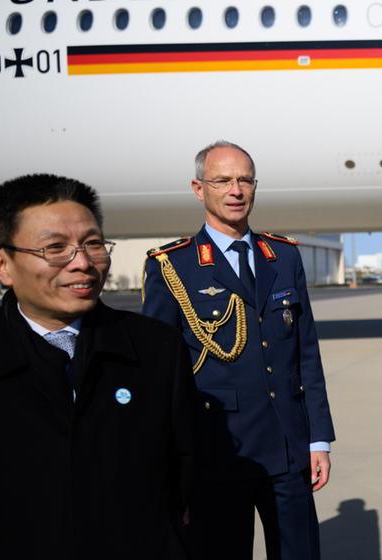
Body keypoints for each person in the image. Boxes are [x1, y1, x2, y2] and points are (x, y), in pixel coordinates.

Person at [0, 175, 195, 559]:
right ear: (1, 265)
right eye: (56, 248)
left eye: (93, 244)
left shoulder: (156, 349)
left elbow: (187, 479)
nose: (83, 263)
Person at [142, 140, 335, 559]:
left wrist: (318, 439)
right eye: (223, 180)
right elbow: (159, 371)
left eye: (245, 179)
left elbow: (306, 354)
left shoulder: (282, 256)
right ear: (199, 189)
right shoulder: (172, 265)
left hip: (288, 447)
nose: (236, 190)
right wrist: (170, 458)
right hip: (219, 451)